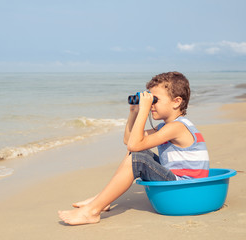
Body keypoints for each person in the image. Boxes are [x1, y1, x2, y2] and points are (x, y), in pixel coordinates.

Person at [58, 71, 209, 225]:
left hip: (185, 189)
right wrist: (134, 113)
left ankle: (92, 212)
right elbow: (129, 141)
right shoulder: (166, 127)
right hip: (178, 183)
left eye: (154, 100)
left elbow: (134, 143)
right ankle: (102, 200)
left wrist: (144, 110)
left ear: (176, 102)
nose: (150, 105)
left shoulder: (177, 127)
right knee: (137, 152)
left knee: (138, 159)